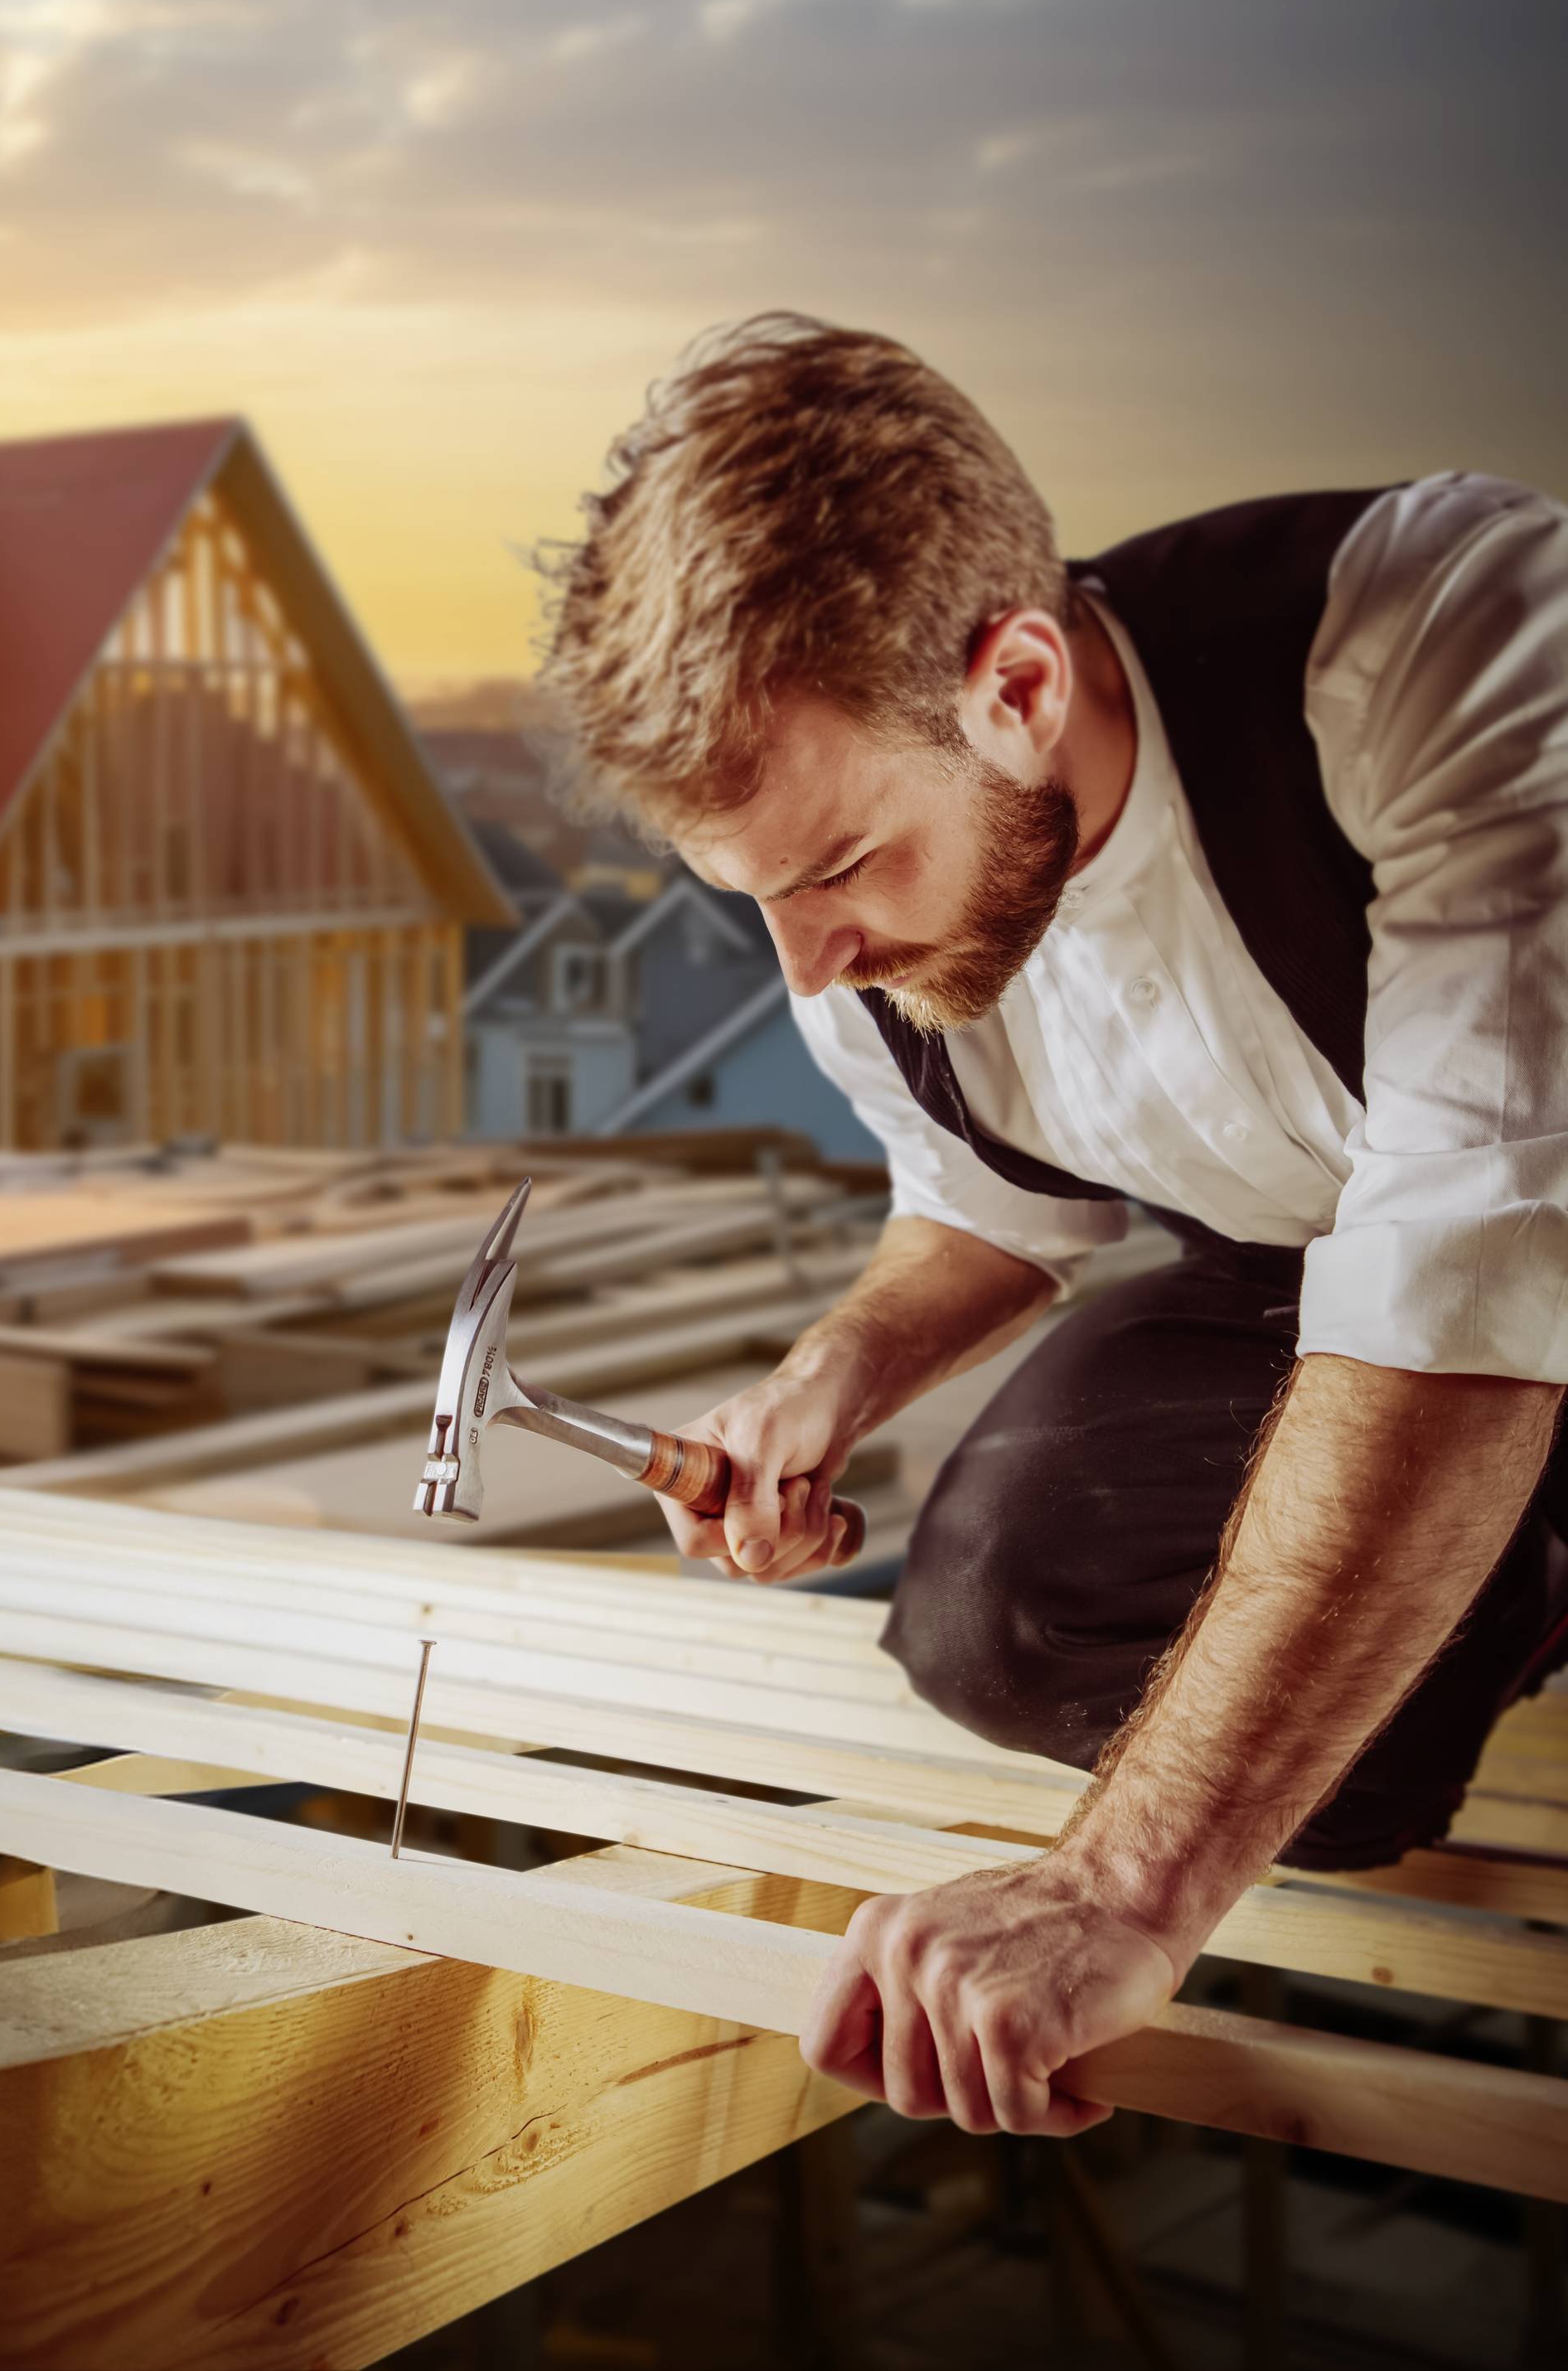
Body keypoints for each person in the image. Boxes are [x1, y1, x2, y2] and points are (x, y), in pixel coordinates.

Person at [532, 312, 1568, 2137]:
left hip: (1499, 1255)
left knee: (1288, 1693)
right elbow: (994, 1206)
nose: (807, 962)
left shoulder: (1438, 635)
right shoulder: (850, 906)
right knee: (997, 1603)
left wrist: (1126, 1889)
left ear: (1016, 682)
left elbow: (1478, 1260)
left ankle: (1477, 1568)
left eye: (841, 869)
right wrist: (828, 1376)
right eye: (751, 898)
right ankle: (1475, 1593)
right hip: (1317, 1286)